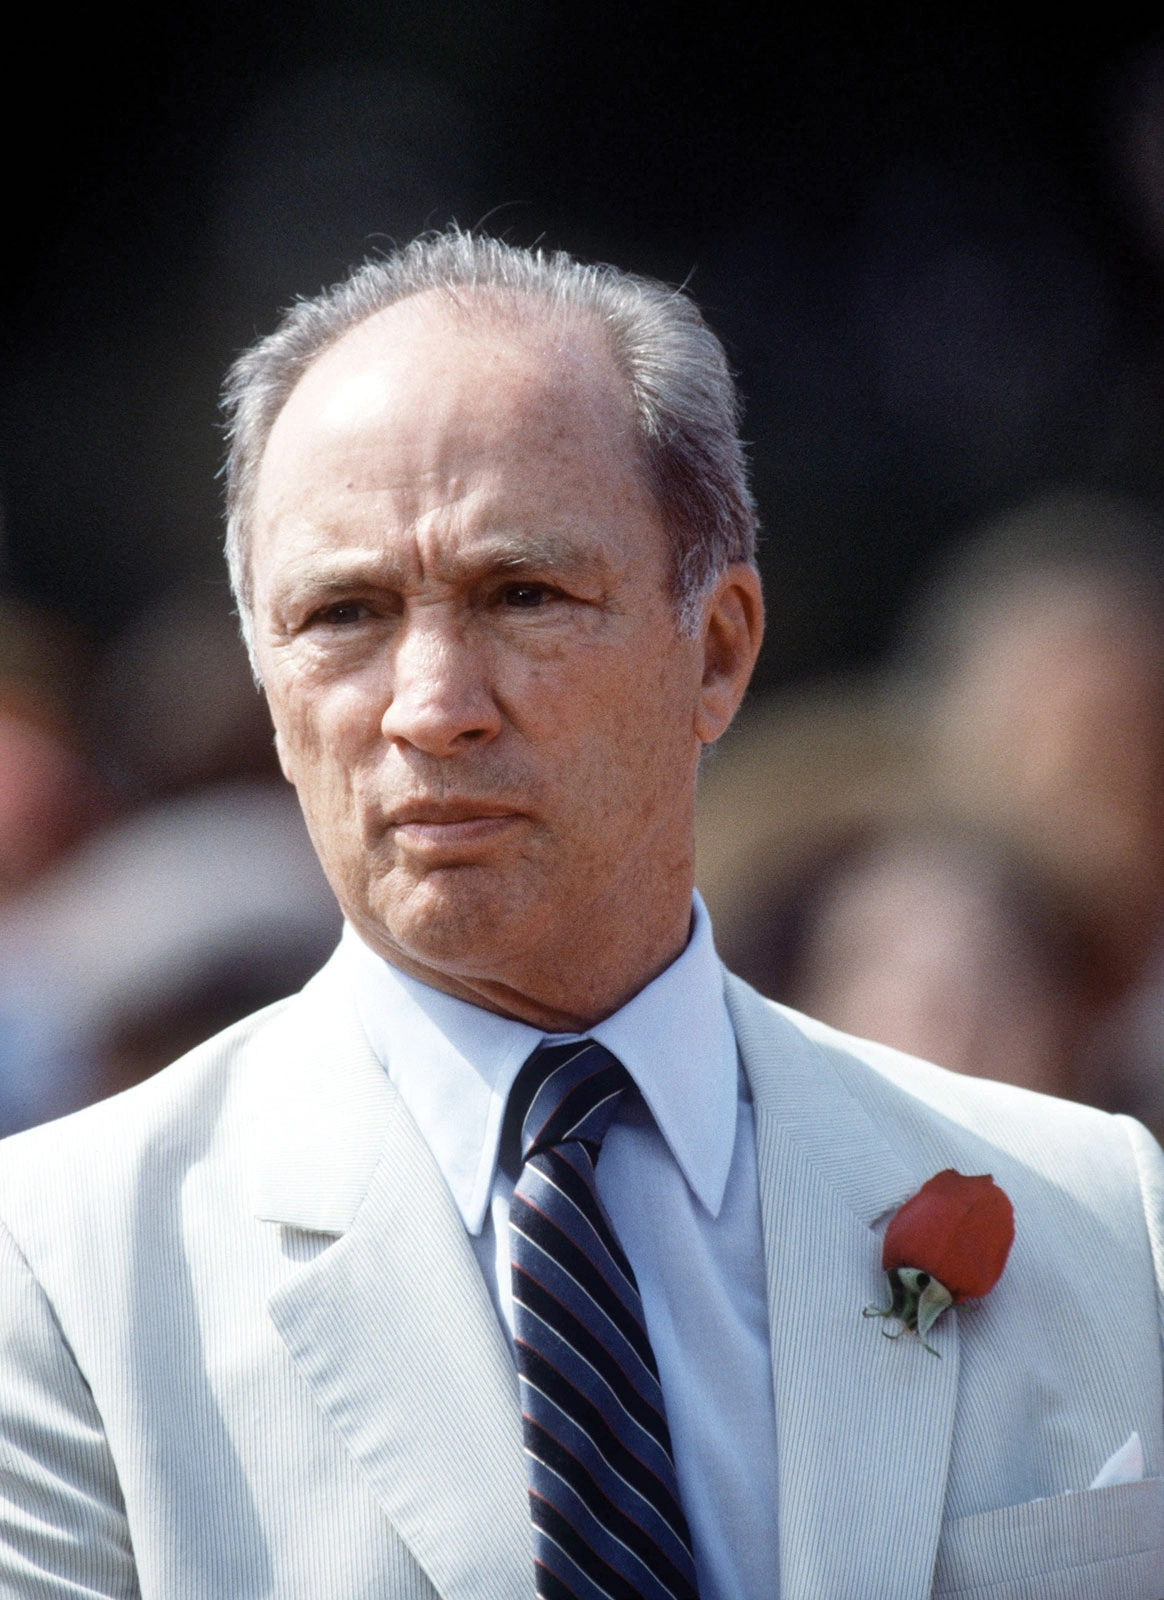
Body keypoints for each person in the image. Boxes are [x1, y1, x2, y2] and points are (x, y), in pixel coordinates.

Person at [0, 231, 1161, 1600]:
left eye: (523, 595)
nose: (432, 704)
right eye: (344, 613)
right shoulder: (60, 1270)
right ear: (268, 680)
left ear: (716, 650)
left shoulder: (1095, 1215)